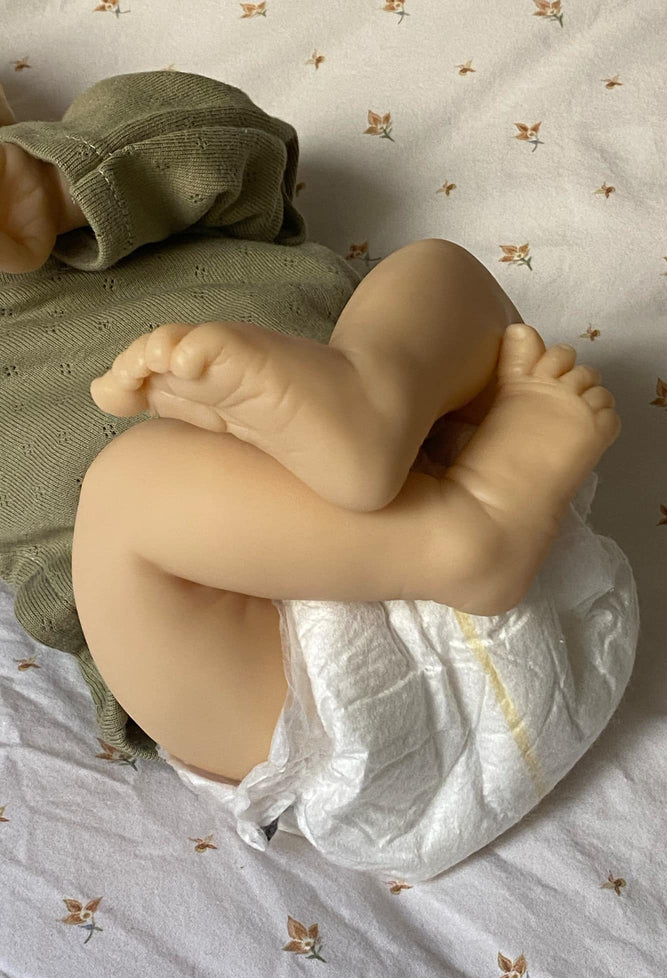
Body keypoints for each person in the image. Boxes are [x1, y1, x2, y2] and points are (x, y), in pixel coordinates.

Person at [0, 72, 629, 878]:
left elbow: (243, 151)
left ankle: (375, 407)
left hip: (453, 463)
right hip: (267, 676)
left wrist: (56, 184)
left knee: (431, 269)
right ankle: (457, 534)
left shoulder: (114, 186)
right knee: (127, 487)